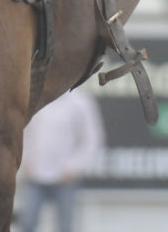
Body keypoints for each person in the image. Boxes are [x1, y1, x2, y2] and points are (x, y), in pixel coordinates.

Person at [20, 88, 105, 232]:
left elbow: (92, 139)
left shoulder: (80, 102)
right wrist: (25, 159)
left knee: (65, 226)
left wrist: (74, 167)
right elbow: (23, 132)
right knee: (27, 223)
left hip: (65, 178)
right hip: (34, 175)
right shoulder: (34, 100)